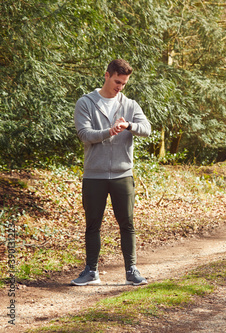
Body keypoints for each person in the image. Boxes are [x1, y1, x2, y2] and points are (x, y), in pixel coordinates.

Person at [72, 59, 151, 286]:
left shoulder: (130, 105)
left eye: (124, 83)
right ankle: (91, 271)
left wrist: (129, 126)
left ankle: (131, 271)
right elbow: (84, 134)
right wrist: (109, 131)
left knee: (127, 223)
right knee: (92, 224)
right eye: (117, 81)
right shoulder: (85, 103)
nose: (120, 87)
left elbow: (146, 129)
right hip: (94, 174)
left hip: (122, 174)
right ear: (106, 75)